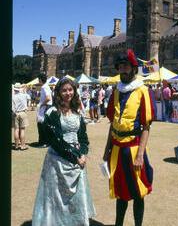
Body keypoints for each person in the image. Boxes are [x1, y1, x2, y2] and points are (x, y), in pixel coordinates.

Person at [32, 78, 96, 226]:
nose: (68, 93)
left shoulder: (77, 112)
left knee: (74, 200)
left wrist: (83, 153)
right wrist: (75, 157)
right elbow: (56, 141)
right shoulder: (52, 113)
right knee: (56, 200)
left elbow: (83, 138)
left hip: (77, 162)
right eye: (64, 90)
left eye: (70, 89)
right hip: (57, 162)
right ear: (58, 93)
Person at [102, 49, 155, 226]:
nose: (122, 70)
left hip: (133, 148)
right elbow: (112, 124)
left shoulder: (143, 91)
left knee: (138, 192)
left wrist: (140, 155)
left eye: (126, 66)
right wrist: (106, 151)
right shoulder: (116, 91)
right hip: (116, 149)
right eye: (120, 67)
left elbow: (146, 126)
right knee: (120, 192)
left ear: (133, 68)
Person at [36, 73, 53, 147]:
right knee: (45, 125)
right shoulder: (46, 86)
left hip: (46, 107)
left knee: (42, 125)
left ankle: (44, 142)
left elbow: (48, 98)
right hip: (47, 107)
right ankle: (45, 141)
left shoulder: (44, 87)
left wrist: (42, 104)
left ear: (40, 79)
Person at [12, 83, 29, 150]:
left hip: (15, 113)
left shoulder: (12, 96)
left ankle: (16, 146)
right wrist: (24, 89)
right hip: (23, 112)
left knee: (16, 129)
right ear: (19, 89)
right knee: (22, 130)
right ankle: (22, 145)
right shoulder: (24, 95)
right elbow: (28, 97)